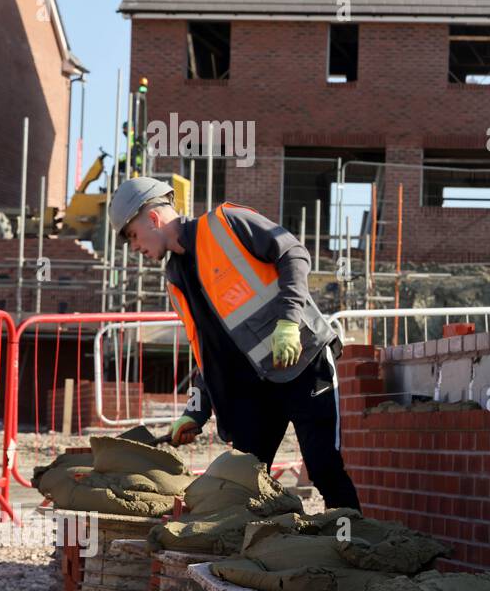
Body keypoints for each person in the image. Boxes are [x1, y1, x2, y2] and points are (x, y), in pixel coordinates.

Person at [109, 178, 361, 511]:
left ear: (152, 219)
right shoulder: (176, 280)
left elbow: (293, 253)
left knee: (323, 468)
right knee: (242, 483)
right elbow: (208, 351)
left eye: (132, 236)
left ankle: (354, 546)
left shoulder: (226, 223)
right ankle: (265, 552)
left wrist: (288, 321)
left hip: (304, 361)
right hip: (257, 391)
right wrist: (195, 411)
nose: (134, 247)